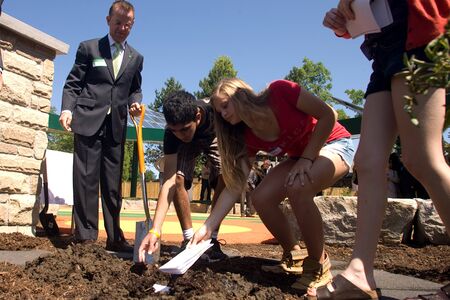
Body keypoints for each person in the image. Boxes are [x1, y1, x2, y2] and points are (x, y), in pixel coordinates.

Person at [313, 1, 450, 298]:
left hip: (421, 38)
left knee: (423, 158)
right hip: (385, 48)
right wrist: (342, 20)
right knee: (368, 162)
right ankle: (360, 272)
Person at [189, 78, 355, 291]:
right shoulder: (246, 135)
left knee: (298, 185)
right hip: (301, 158)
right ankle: (294, 255)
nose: (224, 114)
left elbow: (328, 115)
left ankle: (318, 265)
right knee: (261, 198)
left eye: (225, 105)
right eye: (219, 112)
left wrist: (306, 159)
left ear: (240, 94)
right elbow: (236, 184)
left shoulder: (280, 91)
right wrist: (208, 226)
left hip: (334, 143)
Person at [59, 1, 143, 252]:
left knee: (113, 184)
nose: (122, 28)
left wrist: (135, 103)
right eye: (118, 22)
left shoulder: (136, 58)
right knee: (85, 179)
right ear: (108, 20)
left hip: (116, 126)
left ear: (133, 24)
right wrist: (66, 109)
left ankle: (115, 236)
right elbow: (73, 83)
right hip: (87, 121)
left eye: (127, 24)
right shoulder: (89, 48)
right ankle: (85, 237)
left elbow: (134, 89)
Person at [138, 91, 227, 262]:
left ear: (198, 116)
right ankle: (188, 239)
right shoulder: (173, 135)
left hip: (214, 137)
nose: (180, 134)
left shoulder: (213, 111)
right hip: (186, 147)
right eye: (175, 130)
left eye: (185, 129)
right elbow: (169, 181)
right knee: (177, 179)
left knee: (226, 175)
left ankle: (212, 238)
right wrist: (155, 229)